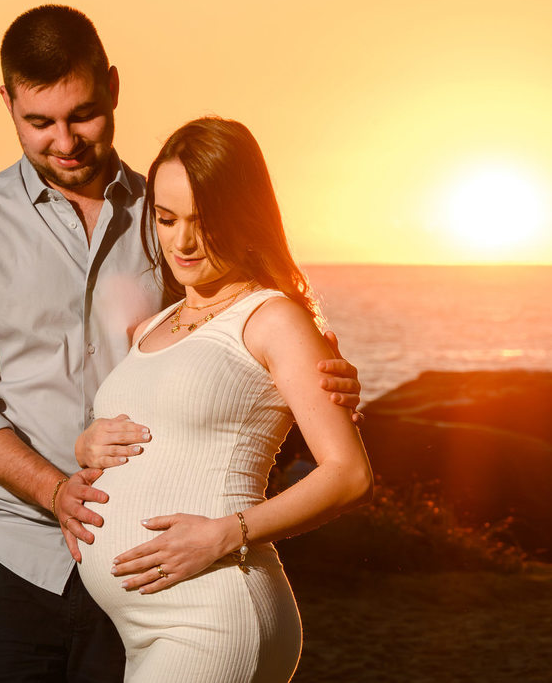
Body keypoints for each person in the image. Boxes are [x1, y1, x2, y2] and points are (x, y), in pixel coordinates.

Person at [0, 5, 363, 682]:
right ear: (8, 103)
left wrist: (320, 374)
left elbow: (229, 345)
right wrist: (58, 483)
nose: (64, 141)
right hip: (3, 554)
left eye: (83, 115)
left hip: (154, 581)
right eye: (39, 121)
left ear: (115, 87)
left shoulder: (169, 209)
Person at [72, 117, 373, 681]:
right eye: (166, 219)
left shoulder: (272, 318)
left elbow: (350, 475)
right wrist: (87, 443)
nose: (182, 242)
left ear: (244, 217)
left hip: (214, 614)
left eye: (203, 222)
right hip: (143, 632)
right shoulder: (156, 324)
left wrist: (222, 534)